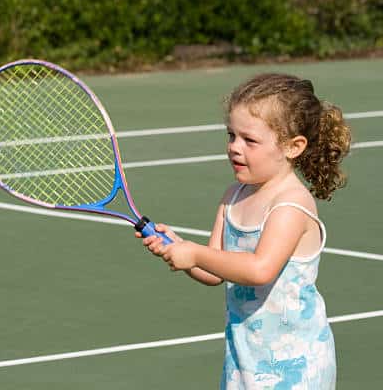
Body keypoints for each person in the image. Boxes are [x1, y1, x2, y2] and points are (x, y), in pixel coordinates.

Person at [137, 73, 351, 389]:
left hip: (296, 365)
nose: (235, 148)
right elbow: (214, 271)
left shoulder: (290, 204)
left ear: (293, 147)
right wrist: (178, 248)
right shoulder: (233, 196)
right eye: (231, 136)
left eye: (250, 140)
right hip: (245, 357)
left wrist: (194, 253)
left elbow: (260, 270)